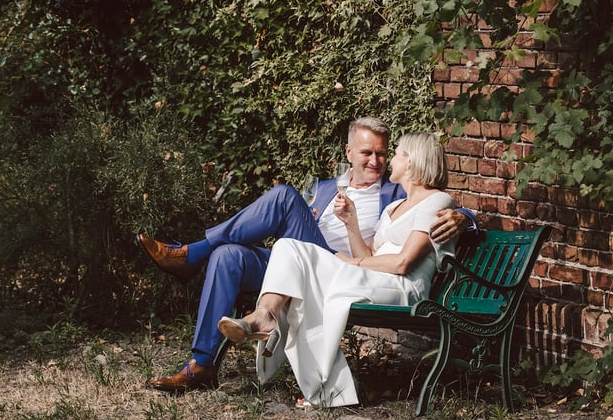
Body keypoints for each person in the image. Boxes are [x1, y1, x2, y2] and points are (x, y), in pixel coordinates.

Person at [139, 117, 477, 392]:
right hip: (296, 262)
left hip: (336, 265)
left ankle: (190, 254)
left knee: (285, 199)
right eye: (366, 153)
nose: (375, 161)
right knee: (229, 255)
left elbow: (436, 207)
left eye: (382, 154)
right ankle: (201, 364)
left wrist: (465, 218)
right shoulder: (325, 188)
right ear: (349, 152)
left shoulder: (394, 192)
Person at [218, 132, 456, 407]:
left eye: (397, 153)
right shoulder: (394, 207)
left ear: (413, 162)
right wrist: (351, 224)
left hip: (403, 287)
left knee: (300, 263)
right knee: (287, 247)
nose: (390, 160)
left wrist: (352, 263)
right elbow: (368, 255)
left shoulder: (438, 202)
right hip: (375, 278)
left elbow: (403, 263)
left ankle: (322, 380)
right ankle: (265, 314)